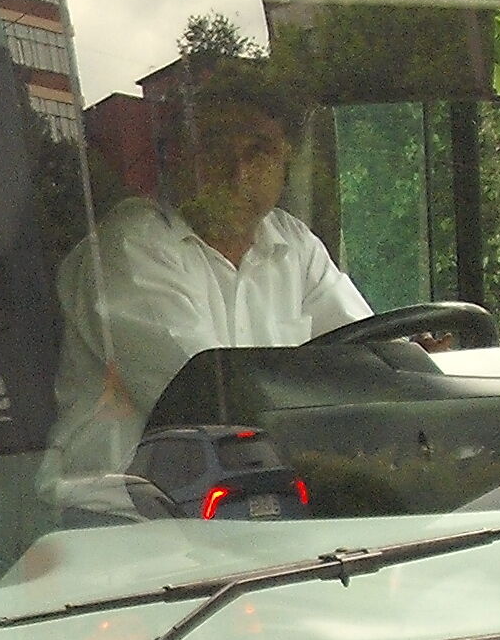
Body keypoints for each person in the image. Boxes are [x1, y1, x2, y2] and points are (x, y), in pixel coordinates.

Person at [46, 79, 367, 482]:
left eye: (259, 151)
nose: (239, 173)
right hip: (126, 501)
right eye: (215, 149)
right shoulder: (132, 244)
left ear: (285, 163)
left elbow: (363, 354)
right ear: (177, 158)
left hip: (255, 488)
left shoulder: (294, 243)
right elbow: (205, 399)